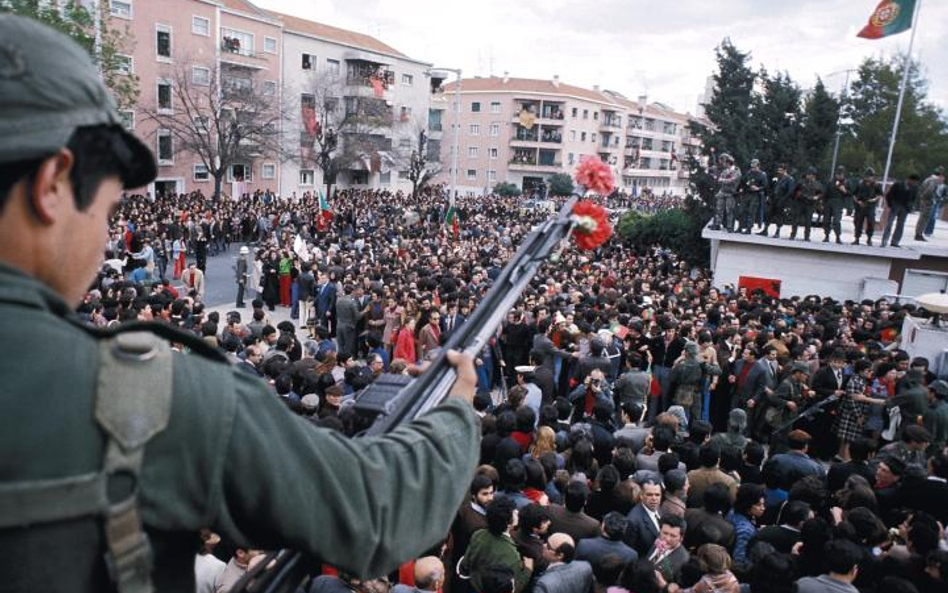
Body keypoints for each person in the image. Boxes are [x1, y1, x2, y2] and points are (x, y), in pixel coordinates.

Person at [0, 15, 482, 592]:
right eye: (106, 211)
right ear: (53, 184)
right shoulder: (152, 395)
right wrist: (452, 409)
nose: (105, 239)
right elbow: (378, 510)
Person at [881, 174, 920, 248]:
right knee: (889, 223)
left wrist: (910, 207)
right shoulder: (898, 184)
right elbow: (889, 195)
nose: (914, 184)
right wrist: (890, 205)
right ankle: (884, 240)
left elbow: (914, 199)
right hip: (895, 205)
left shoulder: (915, 188)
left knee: (900, 225)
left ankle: (895, 242)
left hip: (905, 208)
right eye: (914, 182)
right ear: (909, 179)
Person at [762, 163, 795, 238]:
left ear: (785, 170)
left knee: (779, 216)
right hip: (774, 199)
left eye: (781, 170)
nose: (779, 172)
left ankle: (777, 231)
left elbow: (790, 191)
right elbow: (772, 187)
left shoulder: (789, 179)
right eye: (778, 170)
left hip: (782, 200)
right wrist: (769, 196)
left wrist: (784, 199)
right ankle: (765, 230)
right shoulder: (777, 178)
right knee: (769, 214)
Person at [852, 168, 883, 246]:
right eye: (867, 176)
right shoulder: (860, 184)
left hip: (870, 206)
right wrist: (858, 201)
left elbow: (880, 195)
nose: (868, 178)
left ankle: (869, 238)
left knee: (871, 222)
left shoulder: (876, 185)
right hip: (861, 205)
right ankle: (857, 238)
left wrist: (873, 199)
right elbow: (854, 194)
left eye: (870, 176)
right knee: (858, 222)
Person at [914, 166, 946, 242]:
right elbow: (929, 191)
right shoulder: (934, 180)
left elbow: (922, 190)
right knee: (924, 219)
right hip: (928, 203)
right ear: (940, 176)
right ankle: (919, 234)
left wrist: (922, 197)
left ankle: (918, 233)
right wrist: (931, 199)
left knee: (922, 218)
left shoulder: (928, 179)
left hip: (924, 201)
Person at [711, 153, 741, 232]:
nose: (724, 164)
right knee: (719, 209)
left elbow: (732, 180)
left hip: (731, 193)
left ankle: (729, 227)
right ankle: (717, 224)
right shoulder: (725, 171)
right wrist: (724, 180)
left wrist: (724, 180)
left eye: (725, 163)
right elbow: (719, 179)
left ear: (729, 163)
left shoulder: (736, 171)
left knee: (729, 210)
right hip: (723, 192)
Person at [790, 167, 822, 242]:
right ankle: (793, 235)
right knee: (796, 220)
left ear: (813, 175)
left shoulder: (817, 184)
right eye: (808, 174)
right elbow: (794, 191)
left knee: (808, 222)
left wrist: (817, 197)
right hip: (800, 203)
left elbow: (820, 193)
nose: (808, 176)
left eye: (810, 174)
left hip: (810, 205)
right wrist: (796, 196)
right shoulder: (801, 182)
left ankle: (806, 237)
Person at [822, 166, 849, 244]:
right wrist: (823, 203)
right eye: (838, 174)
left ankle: (838, 237)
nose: (839, 176)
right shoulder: (830, 182)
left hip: (839, 203)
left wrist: (844, 190)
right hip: (829, 202)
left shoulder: (846, 182)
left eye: (841, 174)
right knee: (826, 220)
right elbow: (825, 193)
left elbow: (849, 194)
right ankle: (826, 235)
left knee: (836, 221)